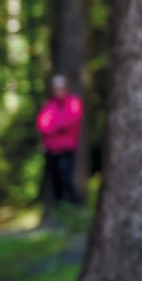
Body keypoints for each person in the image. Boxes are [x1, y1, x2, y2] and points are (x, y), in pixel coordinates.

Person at [35, 74, 83, 208]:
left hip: (67, 149)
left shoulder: (73, 103)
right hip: (51, 150)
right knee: (55, 183)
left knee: (66, 180)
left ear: (66, 89)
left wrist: (54, 126)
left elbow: (70, 121)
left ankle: (77, 208)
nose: (59, 92)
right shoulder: (50, 106)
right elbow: (42, 125)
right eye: (56, 89)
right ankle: (60, 212)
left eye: (61, 89)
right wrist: (57, 127)